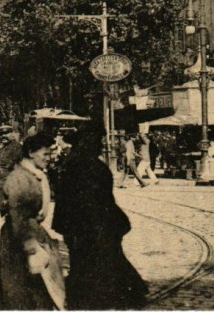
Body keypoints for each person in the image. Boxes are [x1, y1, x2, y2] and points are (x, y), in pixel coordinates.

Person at [52, 131, 148, 310]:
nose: (104, 144)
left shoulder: (72, 163)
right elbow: (99, 199)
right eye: (100, 140)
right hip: (94, 226)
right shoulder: (91, 166)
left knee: (85, 265)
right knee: (101, 264)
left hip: (79, 226)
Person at [0, 133, 63, 310]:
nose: (49, 158)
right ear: (31, 153)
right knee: (16, 289)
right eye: (45, 154)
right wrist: (31, 247)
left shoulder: (34, 174)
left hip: (29, 234)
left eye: (49, 154)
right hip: (19, 239)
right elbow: (17, 215)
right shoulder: (19, 178)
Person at [0, 131, 23, 214]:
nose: (3, 136)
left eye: (6, 134)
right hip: (1, 181)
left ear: (12, 134)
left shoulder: (16, 147)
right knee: (4, 209)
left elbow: (18, 165)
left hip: (10, 181)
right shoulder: (2, 147)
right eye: (2, 134)